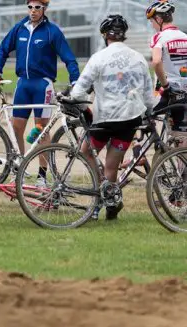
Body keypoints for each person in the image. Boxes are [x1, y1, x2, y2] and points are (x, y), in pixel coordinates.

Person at [67, 14, 156, 221]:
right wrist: (148, 112)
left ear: (104, 35)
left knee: (87, 152)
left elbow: (79, 93)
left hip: (105, 117)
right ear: (124, 35)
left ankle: (99, 198)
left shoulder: (98, 58)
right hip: (130, 119)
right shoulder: (138, 57)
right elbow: (148, 97)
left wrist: (86, 110)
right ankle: (111, 203)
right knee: (111, 166)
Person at [0, 0, 79, 186]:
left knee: (41, 131)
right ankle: (19, 170)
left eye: (37, 7)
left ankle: (42, 176)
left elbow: (69, 58)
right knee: (16, 129)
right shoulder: (19, 28)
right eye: (30, 7)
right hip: (23, 84)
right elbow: (3, 49)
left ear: (44, 9)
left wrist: (75, 80)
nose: (32, 11)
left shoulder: (52, 31)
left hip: (42, 85)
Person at [146, 0, 187, 136]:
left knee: (135, 117)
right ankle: (184, 157)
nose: (152, 25)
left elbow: (157, 62)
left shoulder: (158, 37)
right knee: (181, 137)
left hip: (164, 94)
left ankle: (139, 155)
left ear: (158, 19)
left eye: (152, 21)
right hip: (183, 96)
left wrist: (165, 86)